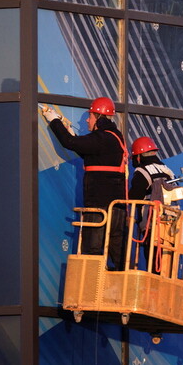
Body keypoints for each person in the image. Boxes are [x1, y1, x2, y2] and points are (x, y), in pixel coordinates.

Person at [42, 97, 128, 270]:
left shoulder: (102, 137)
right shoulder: (114, 137)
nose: (87, 120)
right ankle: (118, 290)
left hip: (99, 206)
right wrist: (70, 133)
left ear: (98, 117)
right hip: (116, 207)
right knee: (117, 253)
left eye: (90, 116)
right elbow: (88, 151)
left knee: (93, 250)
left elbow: (70, 143)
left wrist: (54, 121)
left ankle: (91, 291)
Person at [128, 136, 175, 272]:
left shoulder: (142, 172)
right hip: (171, 223)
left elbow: (134, 197)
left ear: (138, 157)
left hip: (152, 223)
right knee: (168, 262)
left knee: (153, 261)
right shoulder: (167, 170)